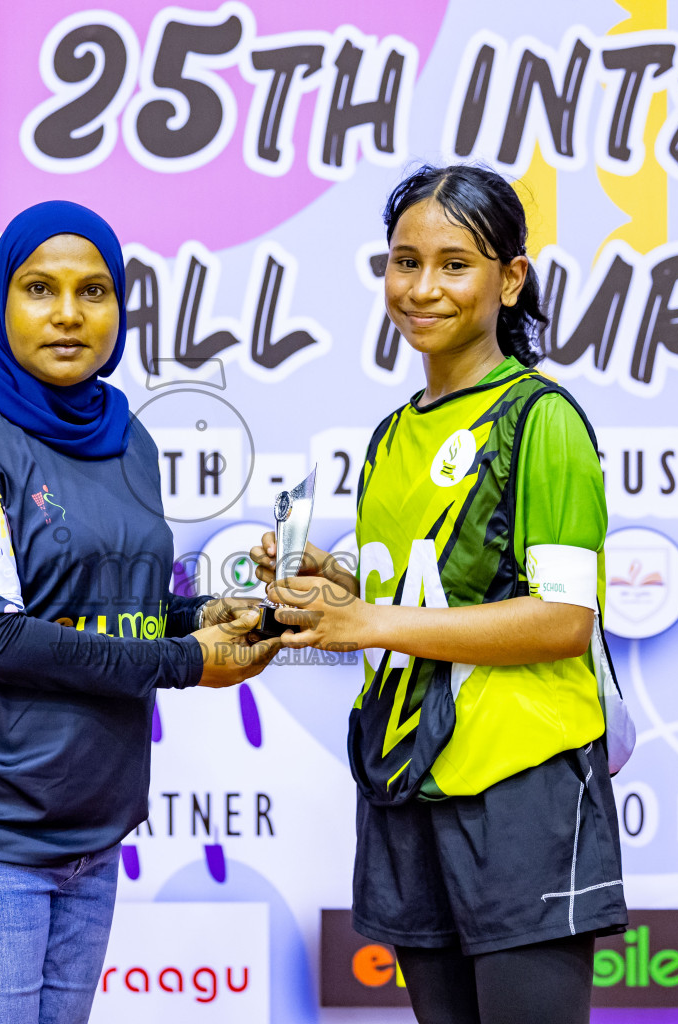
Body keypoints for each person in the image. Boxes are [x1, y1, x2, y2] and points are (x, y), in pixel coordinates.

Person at [0, 200, 279, 1024]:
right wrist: (188, 661)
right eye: (39, 289)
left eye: (93, 291)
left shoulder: (123, 435)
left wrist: (221, 614)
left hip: (89, 833)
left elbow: (111, 604)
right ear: (0, 301)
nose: (67, 314)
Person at [252, 164, 631, 1024]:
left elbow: (565, 621)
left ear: (511, 279)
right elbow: (425, 589)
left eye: (455, 264)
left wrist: (368, 617)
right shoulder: (391, 434)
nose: (421, 288)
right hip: (405, 786)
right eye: (403, 261)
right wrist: (331, 581)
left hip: (519, 792)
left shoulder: (542, 420)